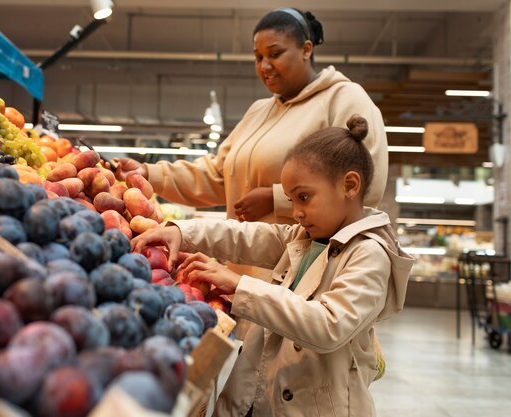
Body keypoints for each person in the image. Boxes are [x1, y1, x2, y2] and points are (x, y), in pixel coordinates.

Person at [132, 115, 413, 417]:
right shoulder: (305, 237)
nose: (297, 213)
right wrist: (181, 232)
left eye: (304, 197)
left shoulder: (370, 254)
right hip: (262, 396)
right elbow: (244, 236)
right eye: (292, 201)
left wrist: (240, 286)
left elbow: (328, 325)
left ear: (350, 185)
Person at [114, 7, 388, 227]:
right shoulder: (260, 111)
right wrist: (149, 172)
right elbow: (217, 176)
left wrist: (278, 199)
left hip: (300, 278)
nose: (264, 66)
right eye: (258, 57)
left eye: (275, 54)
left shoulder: (343, 99)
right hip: (244, 273)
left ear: (306, 49)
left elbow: (366, 186)